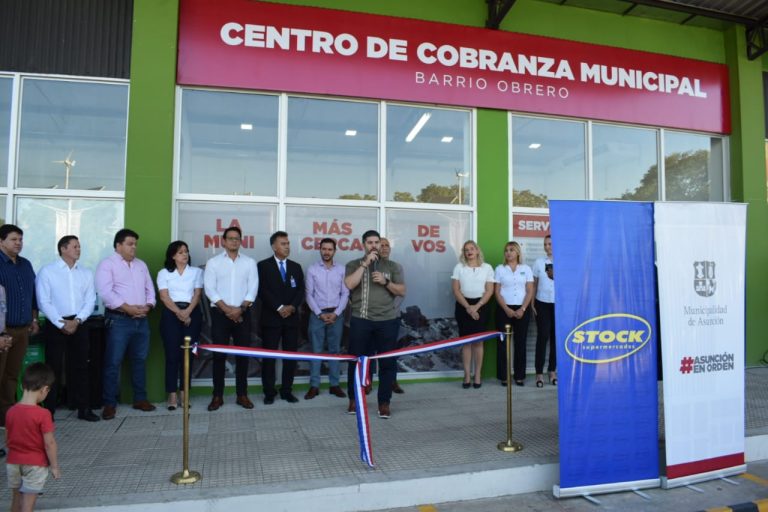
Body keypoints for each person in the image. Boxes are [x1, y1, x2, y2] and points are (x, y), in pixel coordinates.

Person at [35, 236, 99, 422]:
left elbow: (90, 300)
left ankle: (83, 408)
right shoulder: (48, 271)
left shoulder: (85, 273)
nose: (79, 249)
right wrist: (60, 322)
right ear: (63, 249)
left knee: (81, 367)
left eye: (79, 246)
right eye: (74, 246)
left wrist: (77, 320)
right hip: (56, 324)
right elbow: (43, 301)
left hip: (80, 323)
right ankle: (49, 410)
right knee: (53, 367)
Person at [95, 228, 157, 420]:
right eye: (130, 244)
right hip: (119, 320)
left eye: (135, 244)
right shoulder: (107, 264)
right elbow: (105, 292)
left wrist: (149, 305)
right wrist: (127, 308)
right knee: (113, 362)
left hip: (141, 320)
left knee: (139, 360)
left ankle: (140, 399)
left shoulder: (141, 265)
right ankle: (109, 403)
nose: (134, 248)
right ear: (118, 245)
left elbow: (150, 289)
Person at [344, 230, 405, 419]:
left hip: (387, 321)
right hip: (361, 320)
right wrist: (365, 264)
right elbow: (349, 284)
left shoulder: (393, 266)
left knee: (387, 364)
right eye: (370, 242)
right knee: (356, 363)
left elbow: (402, 290)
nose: (374, 246)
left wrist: (386, 282)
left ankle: (384, 403)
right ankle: (354, 399)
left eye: (377, 242)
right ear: (363, 245)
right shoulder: (353, 264)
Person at [203, 226, 258, 411]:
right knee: (219, 356)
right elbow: (210, 289)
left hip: (243, 314)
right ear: (223, 241)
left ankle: (242, 394)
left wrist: (240, 309)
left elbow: (253, 289)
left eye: (237, 238)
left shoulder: (249, 262)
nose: (234, 241)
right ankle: (217, 395)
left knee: (243, 356)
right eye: (231, 238)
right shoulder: (213, 263)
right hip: (220, 314)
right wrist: (227, 310)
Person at [258, 231, 305, 404]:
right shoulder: (263, 266)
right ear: (274, 246)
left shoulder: (296, 267)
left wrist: (291, 307)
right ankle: (269, 392)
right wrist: (279, 307)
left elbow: (301, 291)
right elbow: (262, 290)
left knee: (290, 357)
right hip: (271, 319)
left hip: (291, 319)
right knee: (269, 358)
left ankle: (286, 391)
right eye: (283, 244)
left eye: (288, 243)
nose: (287, 246)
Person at [5, 363, 60, 512]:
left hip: (13, 462)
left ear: (22, 387)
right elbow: (49, 443)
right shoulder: (43, 414)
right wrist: (54, 466)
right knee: (27, 506)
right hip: (35, 464)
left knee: (16, 500)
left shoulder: (11, 411)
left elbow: (7, 438)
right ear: (45, 390)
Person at [0, 225, 39, 430]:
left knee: (12, 375)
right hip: (3, 332)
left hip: (22, 329)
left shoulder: (25, 264)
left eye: (20, 239)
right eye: (14, 239)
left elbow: (33, 295)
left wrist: (34, 319)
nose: (18, 243)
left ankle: (6, 416)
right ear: (1, 241)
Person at [157, 241, 203, 410]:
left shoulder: (196, 272)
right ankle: (172, 395)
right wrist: (179, 313)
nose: (185, 254)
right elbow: (164, 297)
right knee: (172, 356)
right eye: (181, 252)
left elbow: (197, 295)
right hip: (171, 314)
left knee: (188, 355)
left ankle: (185, 393)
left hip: (192, 313)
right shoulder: (164, 273)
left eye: (186, 251)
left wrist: (187, 312)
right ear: (173, 256)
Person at [304, 238, 349, 400]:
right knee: (316, 351)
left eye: (330, 249)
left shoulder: (342, 269)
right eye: (324, 249)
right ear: (320, 250)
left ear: (334, 251)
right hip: (318, 314)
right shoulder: (312, 269)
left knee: (334, 350)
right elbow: (308, 294)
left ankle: (334, 385)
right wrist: (319, 313)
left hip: (336, 314)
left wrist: (336, 313)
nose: (327, 252)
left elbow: (345, 293)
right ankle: (314, 386)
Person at [451, 240, 495, 389]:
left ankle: (477, 375)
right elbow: (456, 290)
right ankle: (467, 375)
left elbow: (490, 291)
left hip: (482, 306)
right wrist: (469, 308)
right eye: (466, 250)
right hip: (463, 306)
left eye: (471, 249)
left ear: (477, 251)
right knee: (466, 342)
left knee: (478, 342)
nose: (469, 252)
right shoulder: (459, 267)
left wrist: (476, 307)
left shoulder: (487, 268)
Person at [494, 241, 534, 387]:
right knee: (503, 343)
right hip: (504, 309)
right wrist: (506, 309)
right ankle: (504, 376)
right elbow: (496, 291)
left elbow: (530, 290)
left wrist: (523, 308)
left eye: (511, 250)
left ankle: (519, 376)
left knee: (520, 343)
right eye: (506, 250)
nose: (508, 253)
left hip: (522, 309)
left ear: (517, 252)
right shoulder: (499, 269)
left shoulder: (526, 269)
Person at [379, 237, 405, 394]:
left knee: (390, 352)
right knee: (369, 351)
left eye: (387, 245)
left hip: (391, 316)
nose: (384, 248)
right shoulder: (369, 267)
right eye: (381, 245)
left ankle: (392, 381)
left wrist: (391, 308)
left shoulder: (397, 267)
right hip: (372, 317)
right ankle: (366, 381)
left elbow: (401, 292)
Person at [532, 235, 556, 388]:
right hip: (542, 303)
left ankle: (552, 371)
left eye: (550, 244)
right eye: (545, 244)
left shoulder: (564, 261)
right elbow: (534, 284)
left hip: (559, 305)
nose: (547, 247)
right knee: (543, 337)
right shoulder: (539, 262)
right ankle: (539, 373)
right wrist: (532, 303)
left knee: (555, 339)